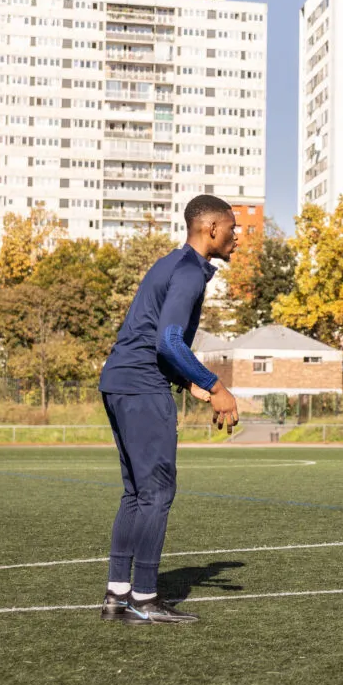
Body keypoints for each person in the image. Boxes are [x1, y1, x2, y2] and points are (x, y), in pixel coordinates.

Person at [97, 195, 241, 625]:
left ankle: (117, 595)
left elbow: (146, 333)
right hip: (141, 386)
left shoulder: (167, 264)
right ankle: (144, 597)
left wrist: (187, 380)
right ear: (211, 229)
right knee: (157, 493)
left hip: (119, 381)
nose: (237, 237)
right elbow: (169, 341)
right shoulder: (189, 274)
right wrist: (217, 386)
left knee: (136, 494)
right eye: (233, 228)